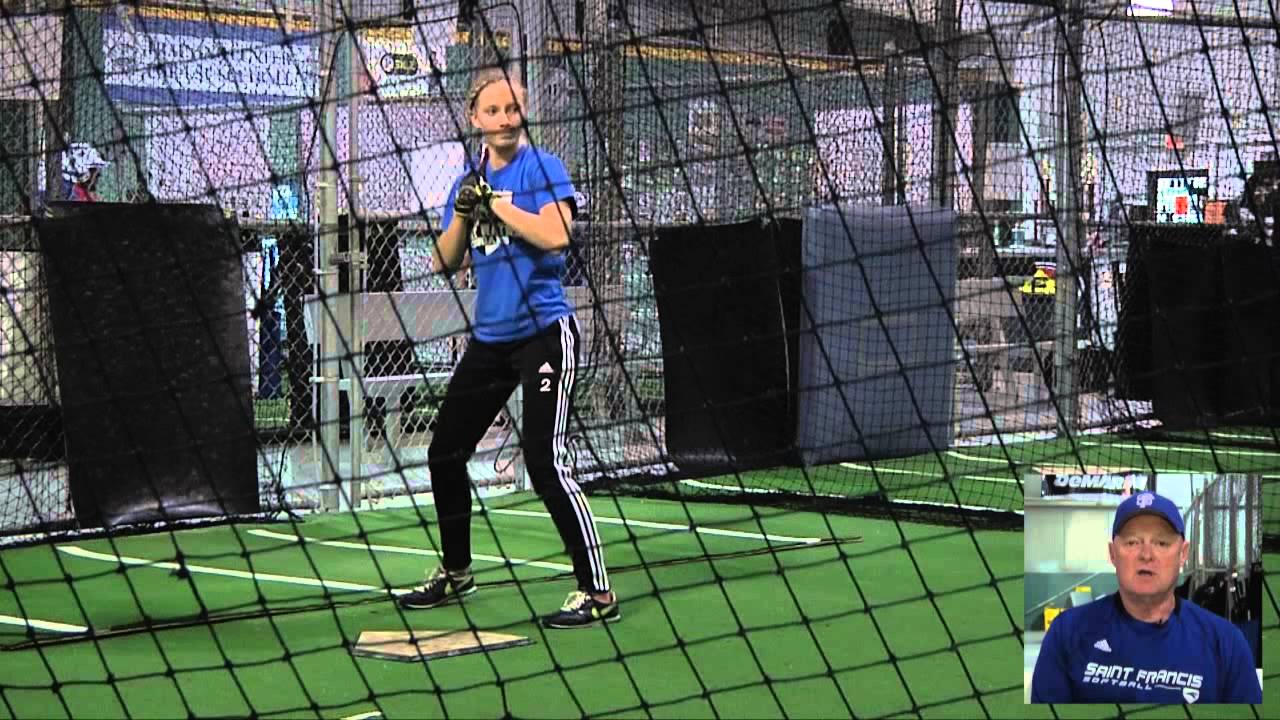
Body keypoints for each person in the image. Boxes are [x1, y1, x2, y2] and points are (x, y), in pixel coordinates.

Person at [397, 67, 618, 629]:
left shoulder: (542, 168)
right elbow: (444, 261)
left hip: (544, 333)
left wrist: (495, 206)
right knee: (444, 453)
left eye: (511, 110)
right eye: (491, 111)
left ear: (523, 117)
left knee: (546, 464)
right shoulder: (465, 183)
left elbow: (556, 235)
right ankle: (457, 570)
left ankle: (596, 591)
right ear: (476, 118)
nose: (502, 119)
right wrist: (467, 210)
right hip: (490, 342)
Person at [1031, 492, 1262, 704]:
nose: (1146, 555)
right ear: (1112, 554)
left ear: (1183, 553)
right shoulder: (1067, 633)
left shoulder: (1226, 642)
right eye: (1133, 542)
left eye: (1161, 543)